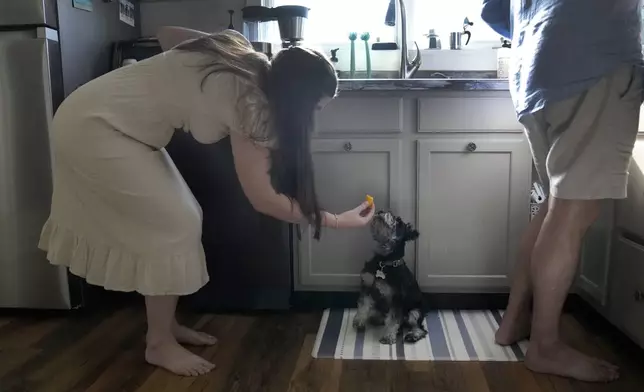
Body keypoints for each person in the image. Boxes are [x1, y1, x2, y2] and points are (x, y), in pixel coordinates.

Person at [38, 27, 375, 377]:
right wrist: (336, 220)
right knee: (176, 223)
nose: (315, 117)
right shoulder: (251, 107)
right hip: (95, 128)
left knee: (184, 219)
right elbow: (264, 199)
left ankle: (165, 327)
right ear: (297, 99)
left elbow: (168, 34)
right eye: (316, 107)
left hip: (108, 118)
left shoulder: (235, 47)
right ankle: (159, 344)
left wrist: (167, 80)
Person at [482, 0, 643, 383]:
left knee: (554, 206)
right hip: (595, 59)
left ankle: (514, 321)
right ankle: (546, 347)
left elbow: (493, 10)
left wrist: (547, 29)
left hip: (535, 67)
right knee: (571, 211)